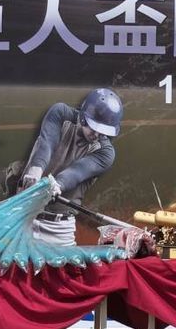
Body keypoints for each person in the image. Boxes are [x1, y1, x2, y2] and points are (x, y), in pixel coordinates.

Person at [16, 88, 123, 247]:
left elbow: (76, 172)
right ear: (84, 117)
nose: (97, 135)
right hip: (22, 215)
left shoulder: (106, 153)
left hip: (58, 228)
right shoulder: (60, 113)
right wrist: (35, 171)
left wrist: (55, 185)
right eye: (94, 128)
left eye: (103, 132)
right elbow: (47, 144)